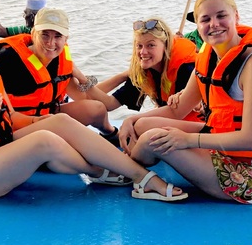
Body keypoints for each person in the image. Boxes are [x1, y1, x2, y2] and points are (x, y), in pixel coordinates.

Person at [0, 0, 187, 202]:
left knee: (59, 123)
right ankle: (104, 171)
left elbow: (9, 117)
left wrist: (45, 118)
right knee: (46, 140)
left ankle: (139, 177)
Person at [123, 0, 252, 205]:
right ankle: (131, 165)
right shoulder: (208, 55)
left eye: (221, 16)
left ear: (236, 15)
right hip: (220, 142)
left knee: (152, 138)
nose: (214, 24)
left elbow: (250, 139)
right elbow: (178, 110)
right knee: (143, 124)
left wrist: (187, 140)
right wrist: (130, 120)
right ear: (198, 26)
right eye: (205, 19)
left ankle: (127, 170)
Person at [0, 7, 120, 144]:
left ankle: (111, 135)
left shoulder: (60, 58)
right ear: (33, 33)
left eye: (58, 36)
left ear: (65, 39)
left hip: (49, 115)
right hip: (16, 126)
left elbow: (83, 97)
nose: (51, 43)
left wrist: (81, 77)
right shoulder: (5, 60)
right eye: (44, 35)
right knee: (89, 161)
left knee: (97, 108)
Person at [79, 17, 204, 151]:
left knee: (139, 126)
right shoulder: (146, 71)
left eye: (151, 45)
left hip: (197, 129)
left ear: (165, 46)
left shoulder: (186, 68)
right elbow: (110, 103)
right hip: (174, 124)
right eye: (139, 46)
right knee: (136, 129)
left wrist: (131, 120)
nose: (143, 52)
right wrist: (121, 76)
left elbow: (177, 112)